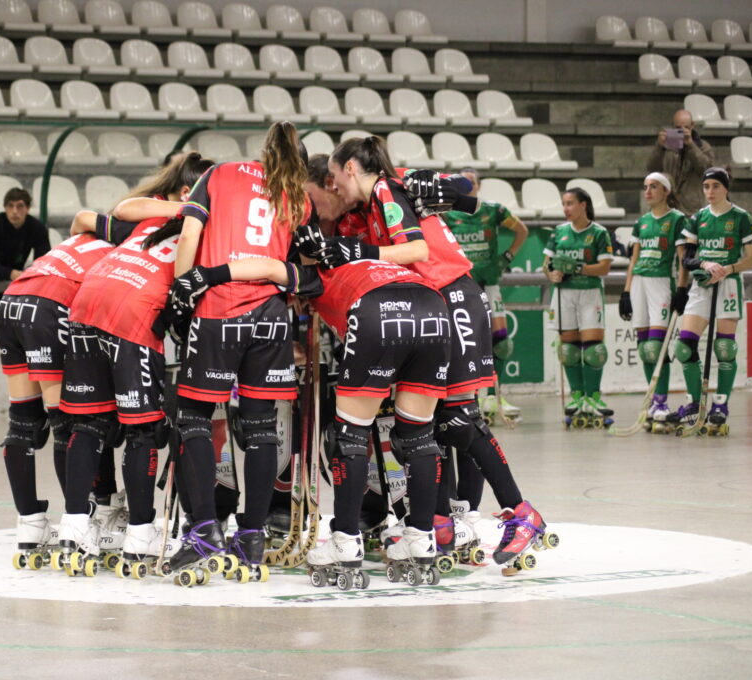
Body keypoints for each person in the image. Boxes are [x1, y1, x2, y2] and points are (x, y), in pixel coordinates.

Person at [322, 137, 550, 569]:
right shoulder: (373, 203)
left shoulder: (389, 187)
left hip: (455, 295)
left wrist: (445, 187)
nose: (334, 187)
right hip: (433, 301)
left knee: (461, 420)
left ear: (352, 168)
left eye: (335, 177)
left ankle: (521, 513)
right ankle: (441, 521)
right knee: (433, 425)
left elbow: (444, 219)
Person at [184, 247, 452, 588]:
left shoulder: (318, 274)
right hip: (431, 306)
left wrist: (208, 275)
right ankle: (421, 536)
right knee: (418, 435)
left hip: (376, 310)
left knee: (352, 435)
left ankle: (345, 539)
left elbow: (266, 266)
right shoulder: (370, 262)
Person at [55, 152, 213, 576]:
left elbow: (123, 209)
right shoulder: (206, 228)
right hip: (132, 313)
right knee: (143, 430)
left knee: (88, 422)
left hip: (87, 302)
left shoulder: (149, 219)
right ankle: (140, 530)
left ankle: (74, 527)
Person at [166, 121, 309, 578]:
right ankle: (251, 536)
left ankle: (205, 531)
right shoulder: (296, 197)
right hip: (270, 316)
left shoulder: (222, 173)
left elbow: (189, 237)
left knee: (193, 420)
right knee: (263, 428)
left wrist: (181, 297)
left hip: (219, 310)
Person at [0, 226, 115, 570]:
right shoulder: (123, 251)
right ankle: (77, 525)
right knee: (66, 423)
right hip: (49, 306)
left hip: (11, 302)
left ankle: (30, 523)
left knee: (22, 422)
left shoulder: (83, 237)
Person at [669, 167, 752, 434]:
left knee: (724, 348)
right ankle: (695, 403)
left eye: (715, 186)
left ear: (725, 188)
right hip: (701, 284)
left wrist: (728, 269)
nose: (709, 192)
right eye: (706, 186)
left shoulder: (741, 217)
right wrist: (704, 264)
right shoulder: (698, 218)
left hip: (728, 284)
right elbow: (686, 257)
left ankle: (720, 404)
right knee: (685, 346)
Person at [441, 167, 529, 423]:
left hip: (490, 283)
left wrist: (507, 257)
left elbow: (521, 231)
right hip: (460, 286)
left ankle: (492, 396)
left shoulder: (494, 210)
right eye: (462, 184)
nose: (467, 188)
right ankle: (467, 396)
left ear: (478, 186)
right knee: (463, 342)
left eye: (471, 183)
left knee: (501, 343)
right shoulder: (446, 213)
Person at [619, 173, 689, 428]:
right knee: (644, 348)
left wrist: (682, 289)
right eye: (645, 186)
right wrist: (626, 292)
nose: (648, 191)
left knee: (656, 348)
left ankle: (661, 402)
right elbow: (633, 260)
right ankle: (652, 401)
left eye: (654, 187)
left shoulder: (677, 219)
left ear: (666, 191)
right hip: (639, 283)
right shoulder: (641, 223)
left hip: (662, 283)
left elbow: (683, 258)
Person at [543, 187, 614, 426]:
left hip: (590, 293)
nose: (566, 209)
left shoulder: (599, 233)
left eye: (570, 203)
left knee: (594, 352)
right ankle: (576, 396)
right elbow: (547, 265)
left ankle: (593, 397)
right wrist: (552, 275)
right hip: (564, 294)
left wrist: (578, 268)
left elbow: (604, 268)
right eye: (564, 204)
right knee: (569, 351)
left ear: (584, 205)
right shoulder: (559, 232)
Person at [646, 109, 716, 215]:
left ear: (692, 126)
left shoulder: (702, 146)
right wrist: (659, 147)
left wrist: (691, 145)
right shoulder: (667, 146)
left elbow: (707, 170)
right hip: (667, 206)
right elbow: (652, 169)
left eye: (686, 128)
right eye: (678, 128)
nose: (682, 132)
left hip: (691, 209)